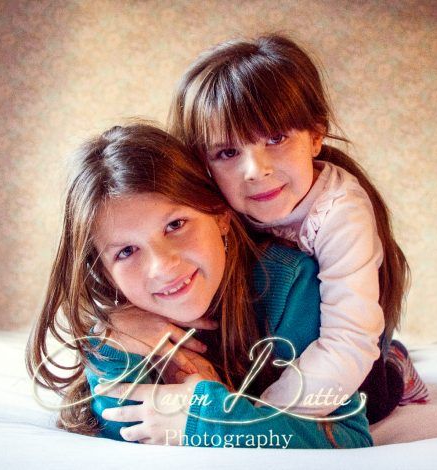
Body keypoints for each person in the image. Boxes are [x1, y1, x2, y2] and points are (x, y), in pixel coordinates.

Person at [25, 123, 372, 448]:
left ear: (220, 215)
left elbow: (348, 437)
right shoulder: (125, 320)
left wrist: (208, 418)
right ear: (103, 270)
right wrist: (117, 340)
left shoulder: (290, 284)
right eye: (127, 251)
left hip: (357, 365)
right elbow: (123, 425)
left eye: (176, 225)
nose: (163, 266)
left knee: (381, 380)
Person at [168, 34, 428, 424]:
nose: (256, 171)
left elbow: (348, 340)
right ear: (203, 162)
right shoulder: (208, 200)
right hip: (274, 339)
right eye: (227, 152)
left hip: (345, 330)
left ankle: (395, 361)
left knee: (364, 400)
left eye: (276, 138)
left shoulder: (341, 213)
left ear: (316, 135)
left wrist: (257, 421)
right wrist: (125, 321)